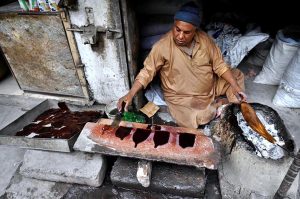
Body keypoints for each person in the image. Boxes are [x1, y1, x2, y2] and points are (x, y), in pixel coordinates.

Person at [118, 1, 247, 129]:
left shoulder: (205, 40)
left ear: (195, 30)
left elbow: (219, 65)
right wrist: (130, 94)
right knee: (199, 118)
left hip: (210, 88)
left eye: (186, 32)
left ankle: (225, 103)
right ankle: (221, 105)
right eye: (177, 29)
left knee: (236, 76)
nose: (180, 36)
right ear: (174, 25)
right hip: (182, 99)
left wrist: (235, 86)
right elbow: (147, 72)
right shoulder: (162, 46)